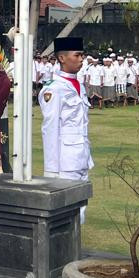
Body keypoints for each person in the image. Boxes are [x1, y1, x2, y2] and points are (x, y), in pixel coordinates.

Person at [40, 35, 92, 223]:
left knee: (81, 211)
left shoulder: (79, 86)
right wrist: (52, 170)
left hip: (82, 156)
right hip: (65, 161)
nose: (81, 59)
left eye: (82, 55)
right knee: (65, 213)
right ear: (62, 58)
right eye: (77, 55)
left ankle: (73, 250)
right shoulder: (54, 89)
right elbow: (50, 129)